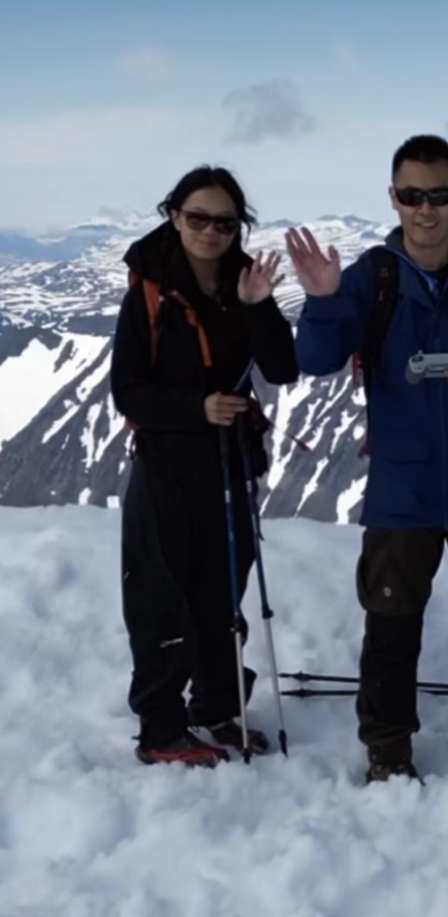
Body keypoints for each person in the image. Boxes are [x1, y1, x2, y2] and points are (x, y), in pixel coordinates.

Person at [288, 135, 448, 782]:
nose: (426, 208)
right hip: (402, 486)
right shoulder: (372, 279)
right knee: (391, 619)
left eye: (438, 194)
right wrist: (323, 301)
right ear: (394, 198)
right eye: (413, 195)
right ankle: (387, 744)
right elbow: (315, 361)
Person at [111, 166, 299, 767]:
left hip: (228, 466)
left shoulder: (244, 283)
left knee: (221, 597)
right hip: (166, 467)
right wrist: (199, 408)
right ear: (174, 216)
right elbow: (129, 391)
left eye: (224, 221)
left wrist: (259, 308)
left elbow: (283, 367)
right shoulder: (148, 289)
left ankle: (219, 708)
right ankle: (162, 730)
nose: (211, 231)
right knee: (163, 599)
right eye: (198, 218)